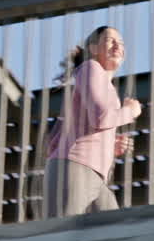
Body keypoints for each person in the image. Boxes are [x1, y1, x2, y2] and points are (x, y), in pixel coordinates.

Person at [44, 26, 142, 218]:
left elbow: (87, 125)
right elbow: (101, 118)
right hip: (74, 167)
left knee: (113, 236)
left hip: (95, 175)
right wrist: (130, 111)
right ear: (93, 48)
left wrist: (109, 145)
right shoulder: (90, 68)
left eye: (121, 43)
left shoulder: (104, 83)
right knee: (61, 237)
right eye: (110, 40)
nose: (117, 46)